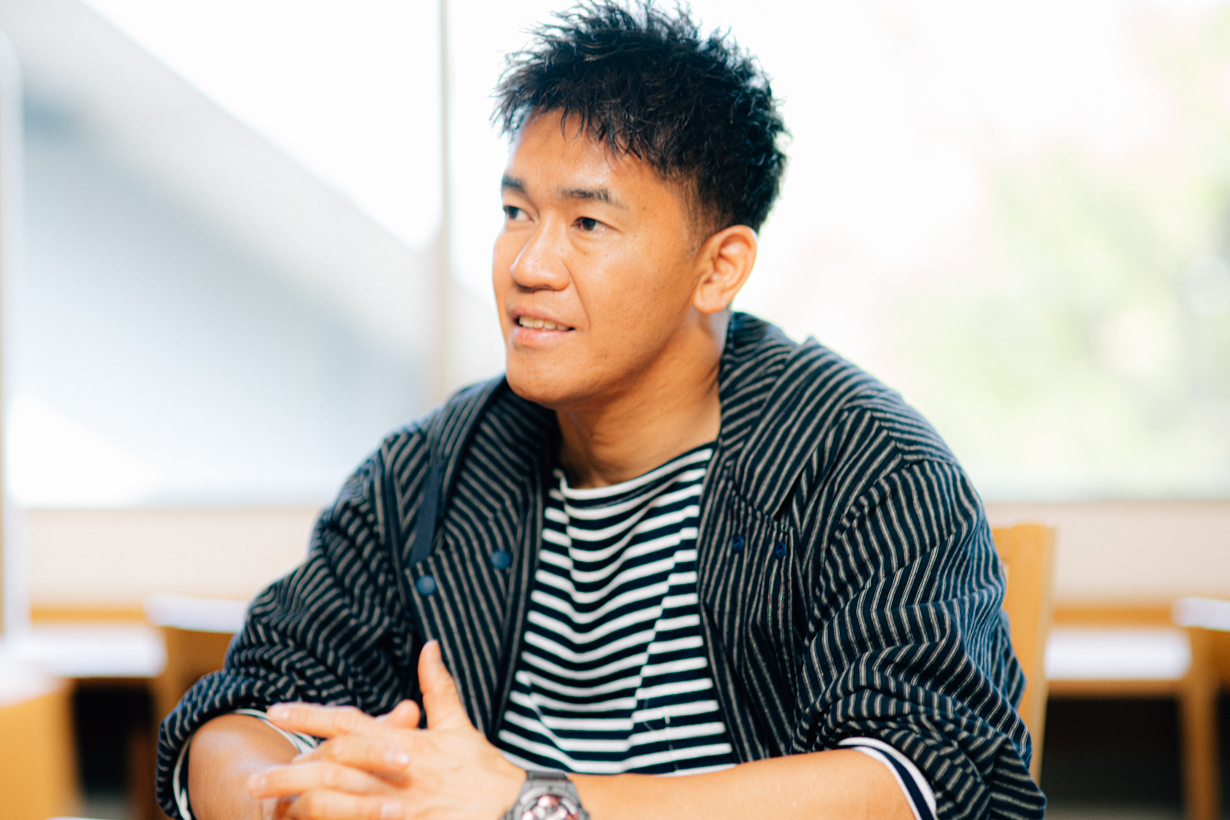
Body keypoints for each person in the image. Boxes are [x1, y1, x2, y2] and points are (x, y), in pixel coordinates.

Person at [156, 2, 1046, 819]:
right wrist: (299, 805)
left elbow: (925, 776)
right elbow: (238, 717)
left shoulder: (864, 465)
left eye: (588, 224)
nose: (527, 266)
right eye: (516, 211)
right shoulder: (430, 472)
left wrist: (532, 805)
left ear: (719, 268)